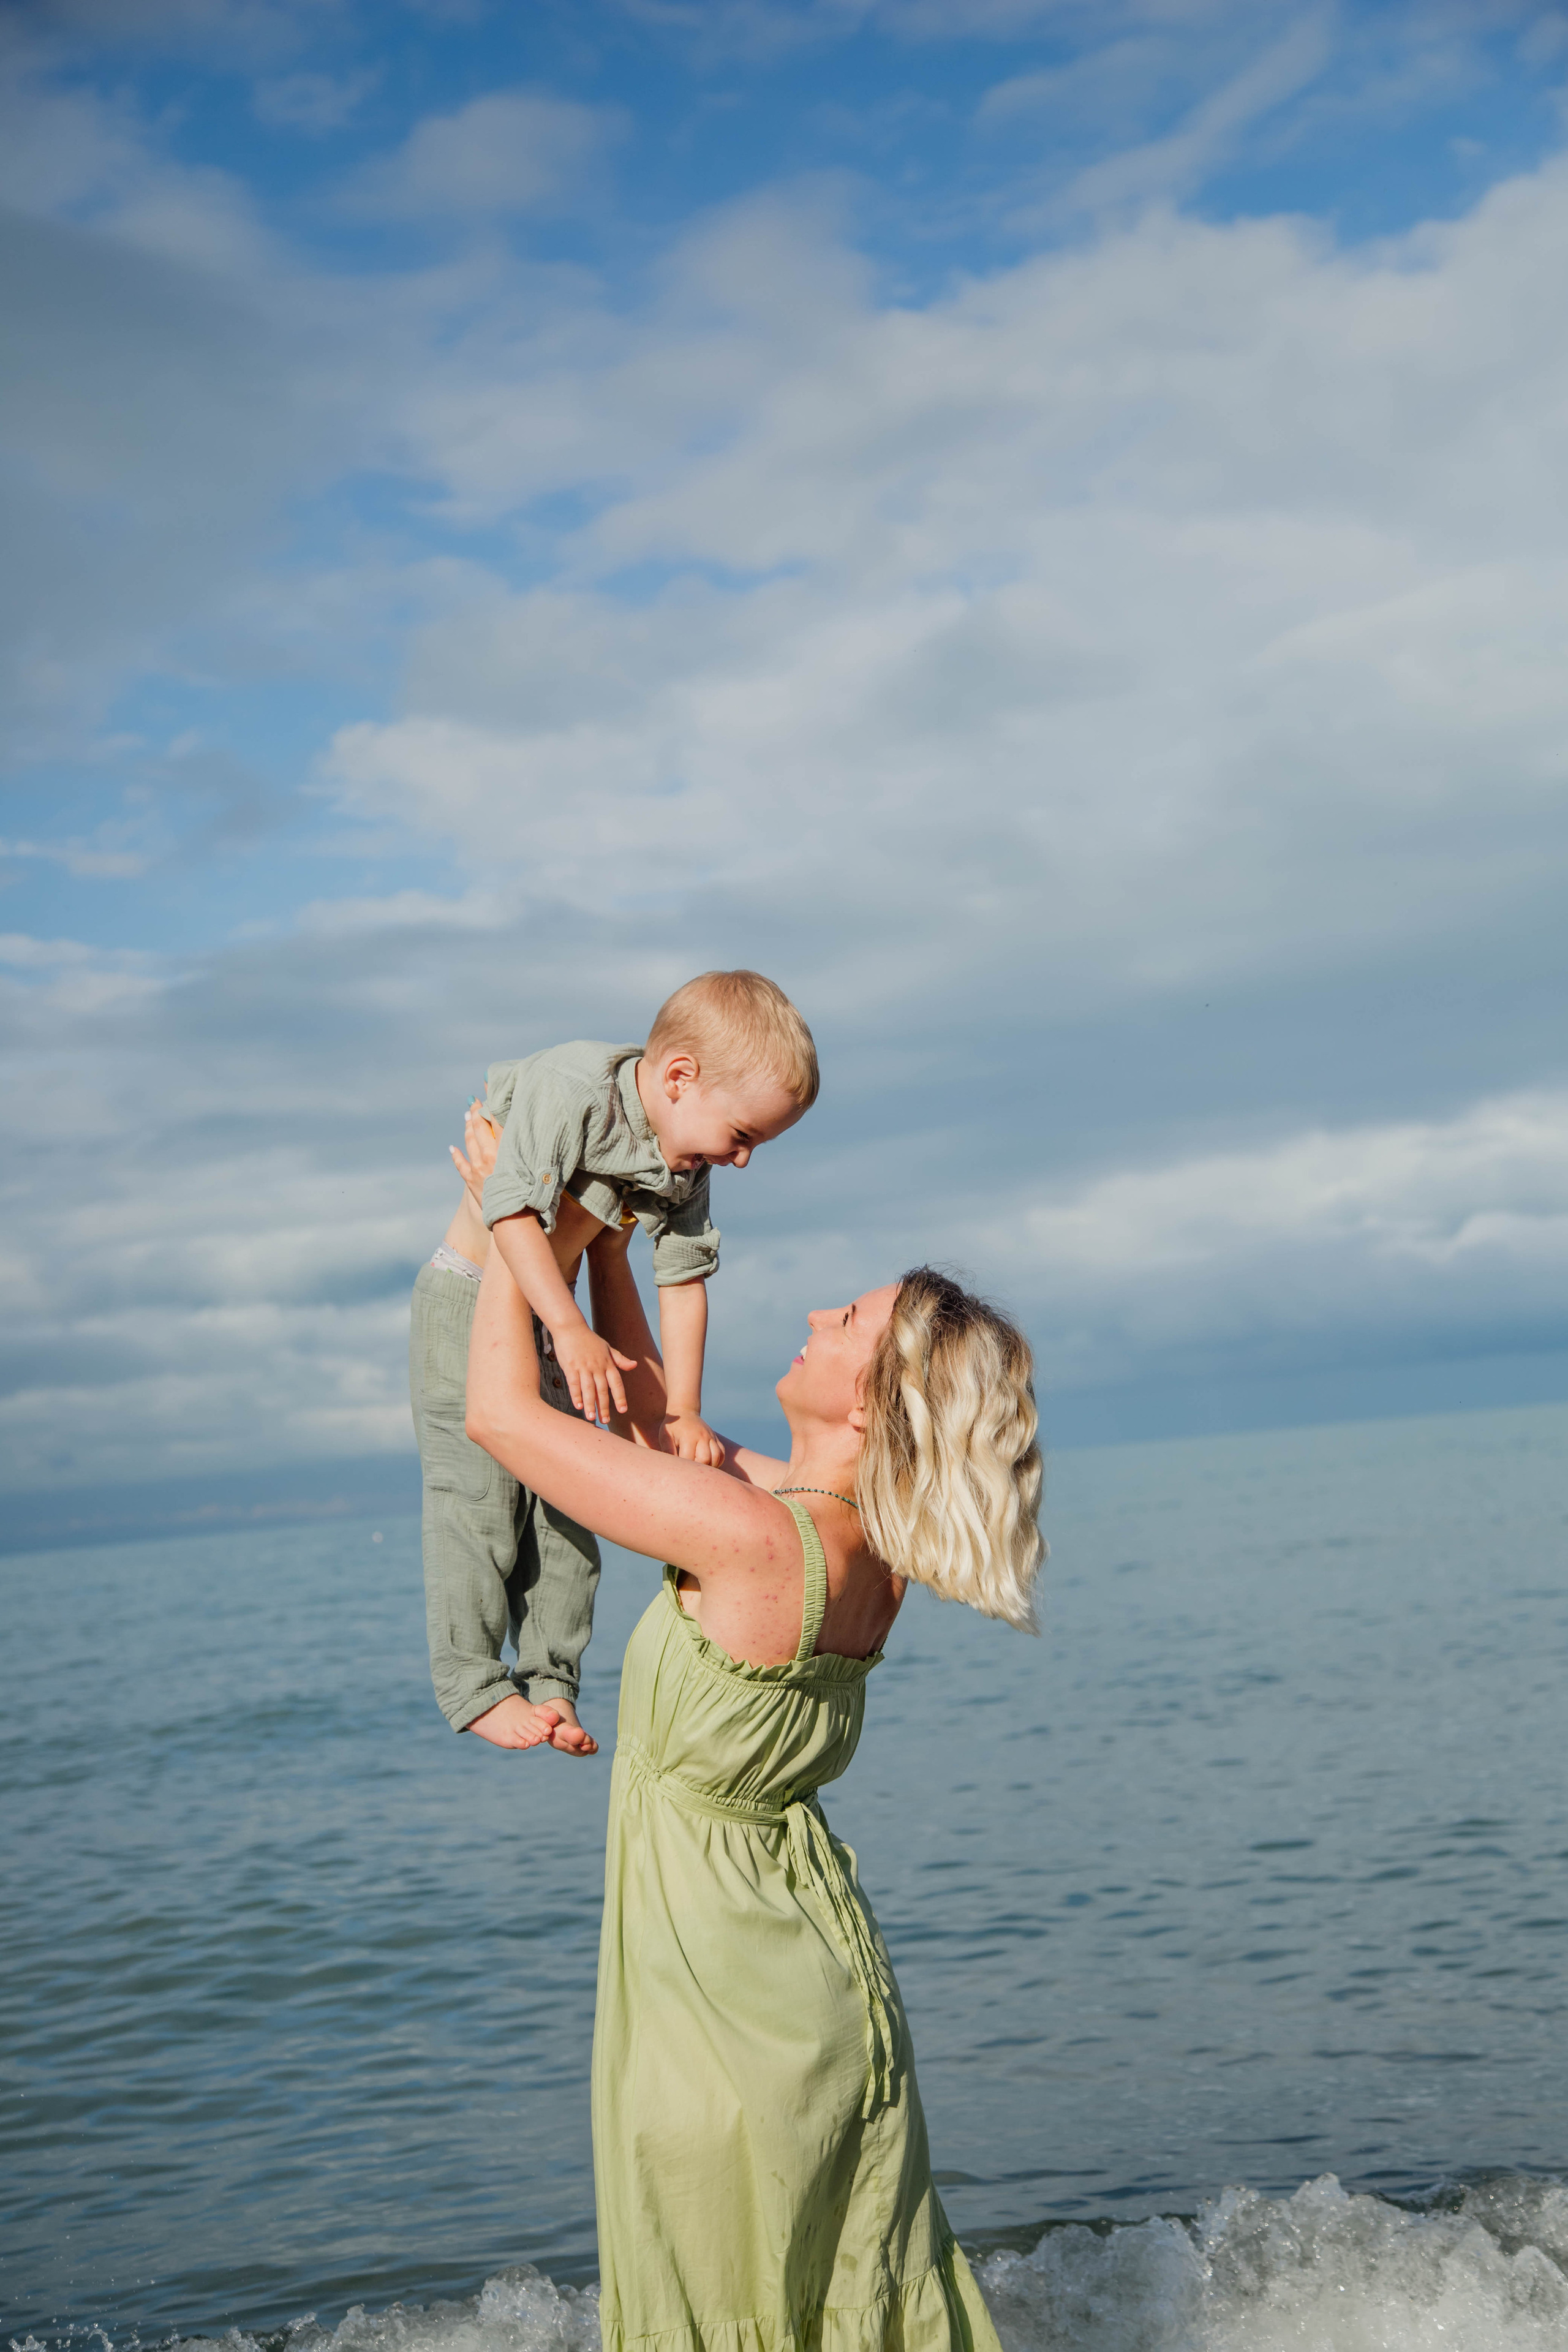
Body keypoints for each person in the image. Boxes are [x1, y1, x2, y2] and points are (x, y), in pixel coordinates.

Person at [464, 1194, 1044, 2352]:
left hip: (726, 1994)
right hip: (805, 1974)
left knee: (724, 2297)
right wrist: (613, 1250)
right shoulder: (852, 1540)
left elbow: (498, 1413)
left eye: (852, 1319)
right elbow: (652, 1426)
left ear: (875, 1400)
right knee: (835, 2301)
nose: (821, 1312)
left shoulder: (754, 1536)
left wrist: (508, 1224)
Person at [409, 970, 819, 1757]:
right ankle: (469, 1680)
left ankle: (551, 1677)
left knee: (571, 1508)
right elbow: (512, 1210)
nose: (739, 1162)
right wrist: (567, 1323)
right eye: (743, 1136)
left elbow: (686, 1280)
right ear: (678, 1078)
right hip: (472, 1299)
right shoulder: (574, 1090)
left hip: (562, 1317)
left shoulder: (683, 1157)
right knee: (478, 1500)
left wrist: (684, 1411)